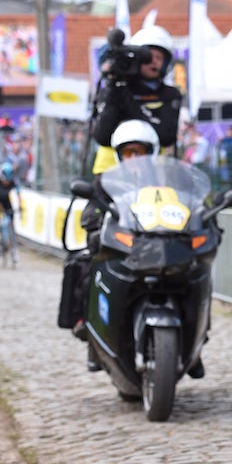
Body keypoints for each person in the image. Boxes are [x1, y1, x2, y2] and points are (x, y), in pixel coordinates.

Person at [62, 120, 164, 372]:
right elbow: (90, 214)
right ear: (119, 155)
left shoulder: (166, 180)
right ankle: (93, 339)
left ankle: (195, 339)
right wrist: (97, 223)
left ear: (151, 152)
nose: (134, 158)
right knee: (89, 270)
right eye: (128, 153)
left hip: (160, 247)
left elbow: (188, 204)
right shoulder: (106, 182)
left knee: (195, 270)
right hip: (123, 248)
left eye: (139, 152)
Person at [90, 24, 182, 175]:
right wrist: (117, 86)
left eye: (159, 57)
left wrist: (128, 99)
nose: (154, 62)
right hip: (109, 175)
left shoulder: (169, 94)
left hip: (153, 176)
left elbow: (166, 136)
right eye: (148, 57)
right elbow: (102, 136)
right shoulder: (114, 89)